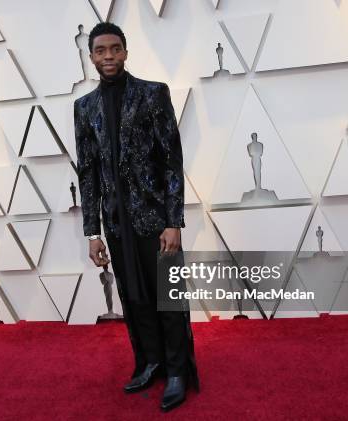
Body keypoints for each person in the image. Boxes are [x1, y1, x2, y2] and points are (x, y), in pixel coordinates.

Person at [74, 22, 199, 412]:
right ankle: (150, 362)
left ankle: (178, 371)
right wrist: (92, 231)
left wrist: (173, 220)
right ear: (91, 56)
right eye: (100, 50)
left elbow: (171, 160)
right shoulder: (84, 107)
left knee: (168, 297)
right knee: (134, 298)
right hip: (116, 223)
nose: (108, 56)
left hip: (156, 220)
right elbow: (88, 171)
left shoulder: (152, 94)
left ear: (125, 52)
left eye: (115, 49)